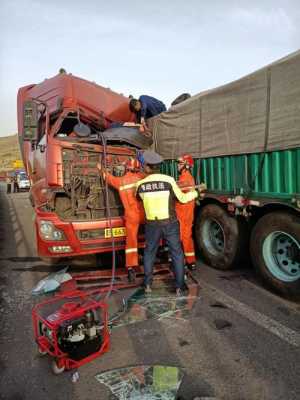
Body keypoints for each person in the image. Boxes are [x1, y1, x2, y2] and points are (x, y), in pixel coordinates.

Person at [136, 150, 198, 296]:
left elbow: (139, 199)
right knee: (176, 253)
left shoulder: (141, 184)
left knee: (149, 253)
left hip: (151, 224)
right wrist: (196, 193)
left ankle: (147, 284)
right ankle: (179, 286)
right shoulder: (169, 180)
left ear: (146, 167)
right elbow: (182, 199)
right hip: (170, 223)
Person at [98, 158, 145, 282]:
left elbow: (108, 178)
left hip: (131, 217)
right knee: (150, 238)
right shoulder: (142, 178)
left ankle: (131, 268)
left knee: (131, 242)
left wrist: (101, 170)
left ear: (127, 168)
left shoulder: (121, 181)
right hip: (144, 214)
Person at [175, 154, 197, 270]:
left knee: (183, 237)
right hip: (185, 213)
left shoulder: (186, 179)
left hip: (183, 213)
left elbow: (175, 190)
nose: (178, 166)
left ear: (187, 166)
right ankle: (190, 261)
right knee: (186, 237)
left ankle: (185, 262)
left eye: (180, 163)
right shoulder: (185, 178)